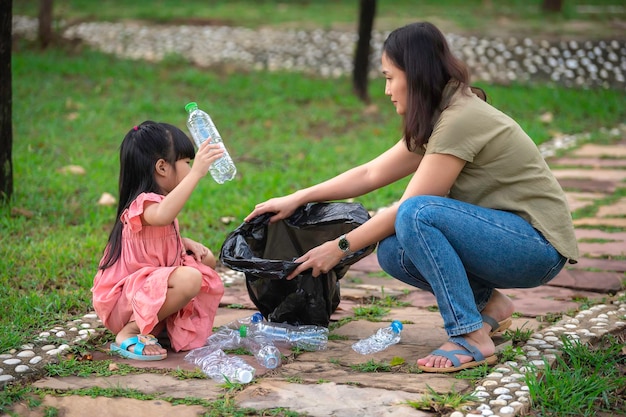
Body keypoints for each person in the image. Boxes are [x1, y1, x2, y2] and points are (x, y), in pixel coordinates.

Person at [245, 22, 578, 373]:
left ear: (415, 74)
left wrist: (339, 247)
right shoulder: (443, 114)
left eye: (390, 77)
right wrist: (300, 196)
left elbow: (412, 208)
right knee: (393, 252)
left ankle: (470, 334)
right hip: (504, 238)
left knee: (416, 215)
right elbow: (371, 173)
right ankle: (490, 305)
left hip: (535, 247)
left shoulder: (461, 118)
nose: (387, 90)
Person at [93, 121, 225, 361]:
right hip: (126, 300)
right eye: (186, 162)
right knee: (190, 279)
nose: (190, 167)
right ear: (162, 167)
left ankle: (157, 324)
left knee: (205, 261)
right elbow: (163, 215)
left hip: (149, 287)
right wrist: (196, 173)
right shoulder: (143, 203)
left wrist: (181, 241)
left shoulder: (158, 200)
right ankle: (130, 331)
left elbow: (152, 236)